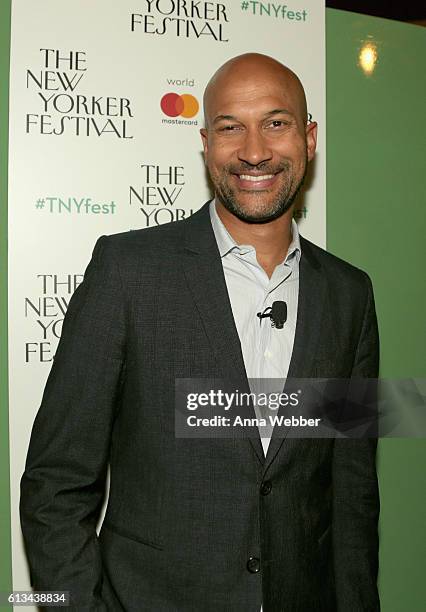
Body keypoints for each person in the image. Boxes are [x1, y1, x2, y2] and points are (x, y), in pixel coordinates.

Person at [20, 53, 380, 611]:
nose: (254, 150)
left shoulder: (349, 294)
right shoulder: (128, 270)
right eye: (230, 127)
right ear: (206, 143)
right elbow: (56, 484)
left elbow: (352, 497)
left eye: (276, 123)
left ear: (309, 139)